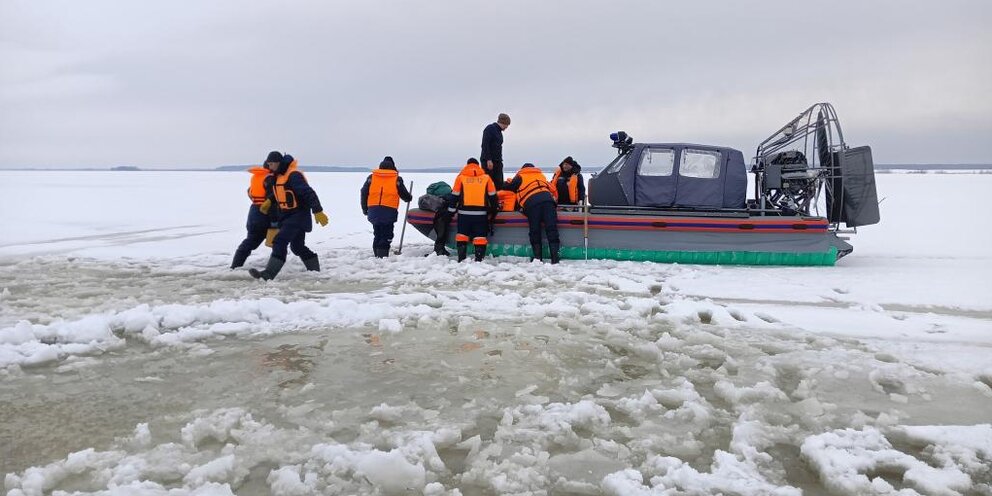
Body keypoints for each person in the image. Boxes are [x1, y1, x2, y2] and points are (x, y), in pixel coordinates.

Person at [249, 153, 329, 280]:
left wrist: (318, 211)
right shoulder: (278, 176)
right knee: (297, 247)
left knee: (279, 241)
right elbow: (279, 192)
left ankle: (268, 274)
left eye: (270, 164)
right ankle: (314, 271)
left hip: (299, 215)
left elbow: (308, 193)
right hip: (287, 216)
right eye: (268, 164)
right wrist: (270, 201)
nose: (269, 167)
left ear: (277, 162)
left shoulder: (293, 175)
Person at [504, 163, 560, 263]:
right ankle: (555, 259)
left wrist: (507, 182)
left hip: (532, 204)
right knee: (552, 229)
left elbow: (509, 187)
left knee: (535, 230)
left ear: (523, 169)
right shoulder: (541, 175)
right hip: (548, 202)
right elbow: (553, 189)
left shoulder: (520, 176)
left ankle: (538, 258)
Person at [230, 151, 278, 269]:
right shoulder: (270, 179)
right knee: (277, 242)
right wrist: (274, 222)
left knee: (251, 240)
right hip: (265, 213)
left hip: (253, 212)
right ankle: (274, 268)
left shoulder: (256, 177)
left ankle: (235, 266)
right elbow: (271, 200)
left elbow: (250, 192)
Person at [360, 156, 413, 258]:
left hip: (373, 210)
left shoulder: (371, 178)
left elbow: (363, 192)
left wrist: (365, 208)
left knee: (377, 233)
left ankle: (377, 256)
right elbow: (404, 194)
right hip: (389, 211)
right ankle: (382, 257)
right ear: (393, 167)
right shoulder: (396, 179)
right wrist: (409, 198)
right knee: (386, 234)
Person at [448, 158, 497, 262]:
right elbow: (493, 196)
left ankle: (461, 259)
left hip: (463, 214)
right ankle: (479, 259)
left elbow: (454, 196)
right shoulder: (486, 178)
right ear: (478, 166)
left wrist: (450, 212)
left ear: (467, 165)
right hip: (481, 214)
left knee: (462, 236)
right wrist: (493, 211)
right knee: (480, 237)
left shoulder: (460, 178)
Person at [480, 113, 510, 189]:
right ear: (503, 122)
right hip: (489, 162)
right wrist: (488, 160)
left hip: (498, 161)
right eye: (507, 125)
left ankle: (498, 199)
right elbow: (485, 145)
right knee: (488, 183)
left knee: (499, 184)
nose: (507, 127)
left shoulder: (499, 132)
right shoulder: (490, 129)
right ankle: (487, 200)